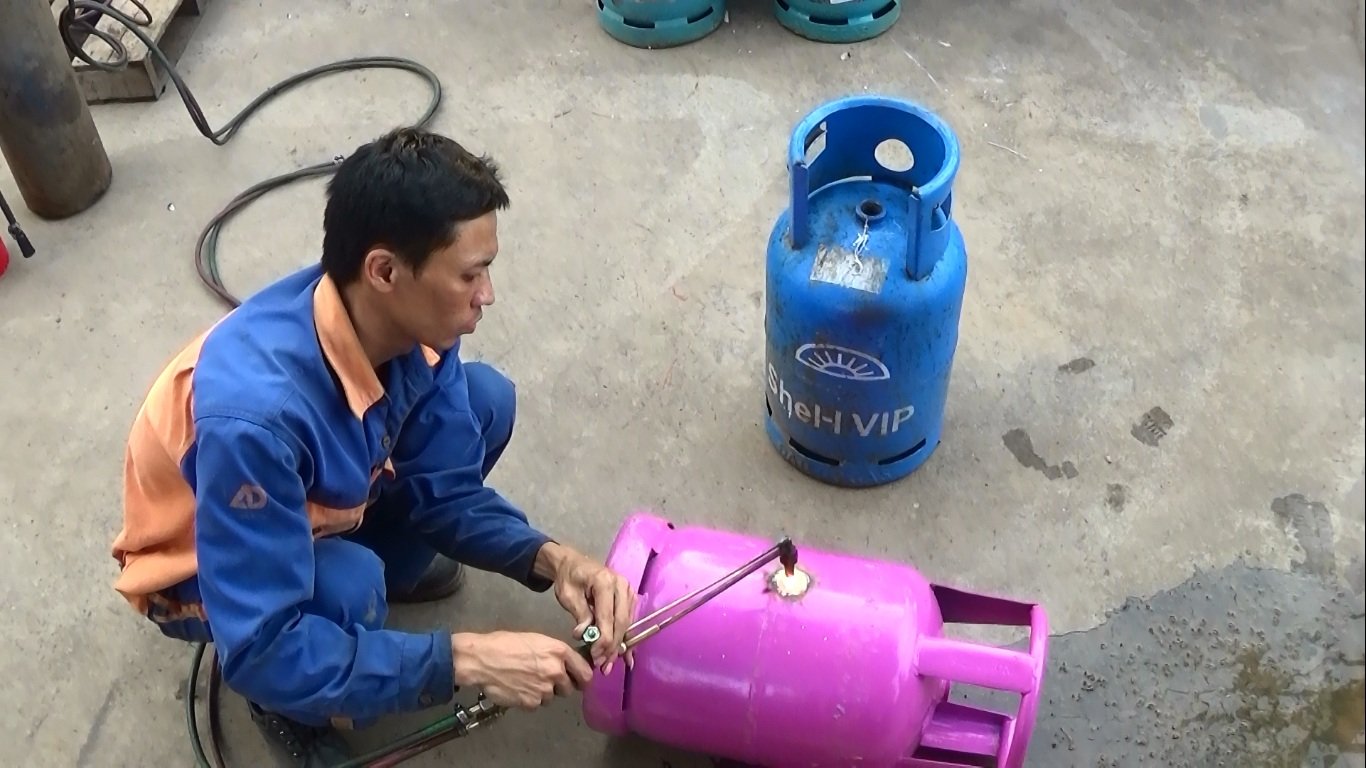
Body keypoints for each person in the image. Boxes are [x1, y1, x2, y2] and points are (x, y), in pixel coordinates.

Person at [109, 126, 638, 766]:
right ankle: (288, 706)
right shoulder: (256, 424)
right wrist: (465, 659)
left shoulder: (411, 326)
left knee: (486, 401)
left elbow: (444, 490)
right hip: (200, 564)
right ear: (384, 270)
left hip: (310, 499)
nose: (487, 295)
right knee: (350, 586)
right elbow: (262, 645)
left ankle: (384, 580)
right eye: (469, 274)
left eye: (488, 269)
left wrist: (555, 560)